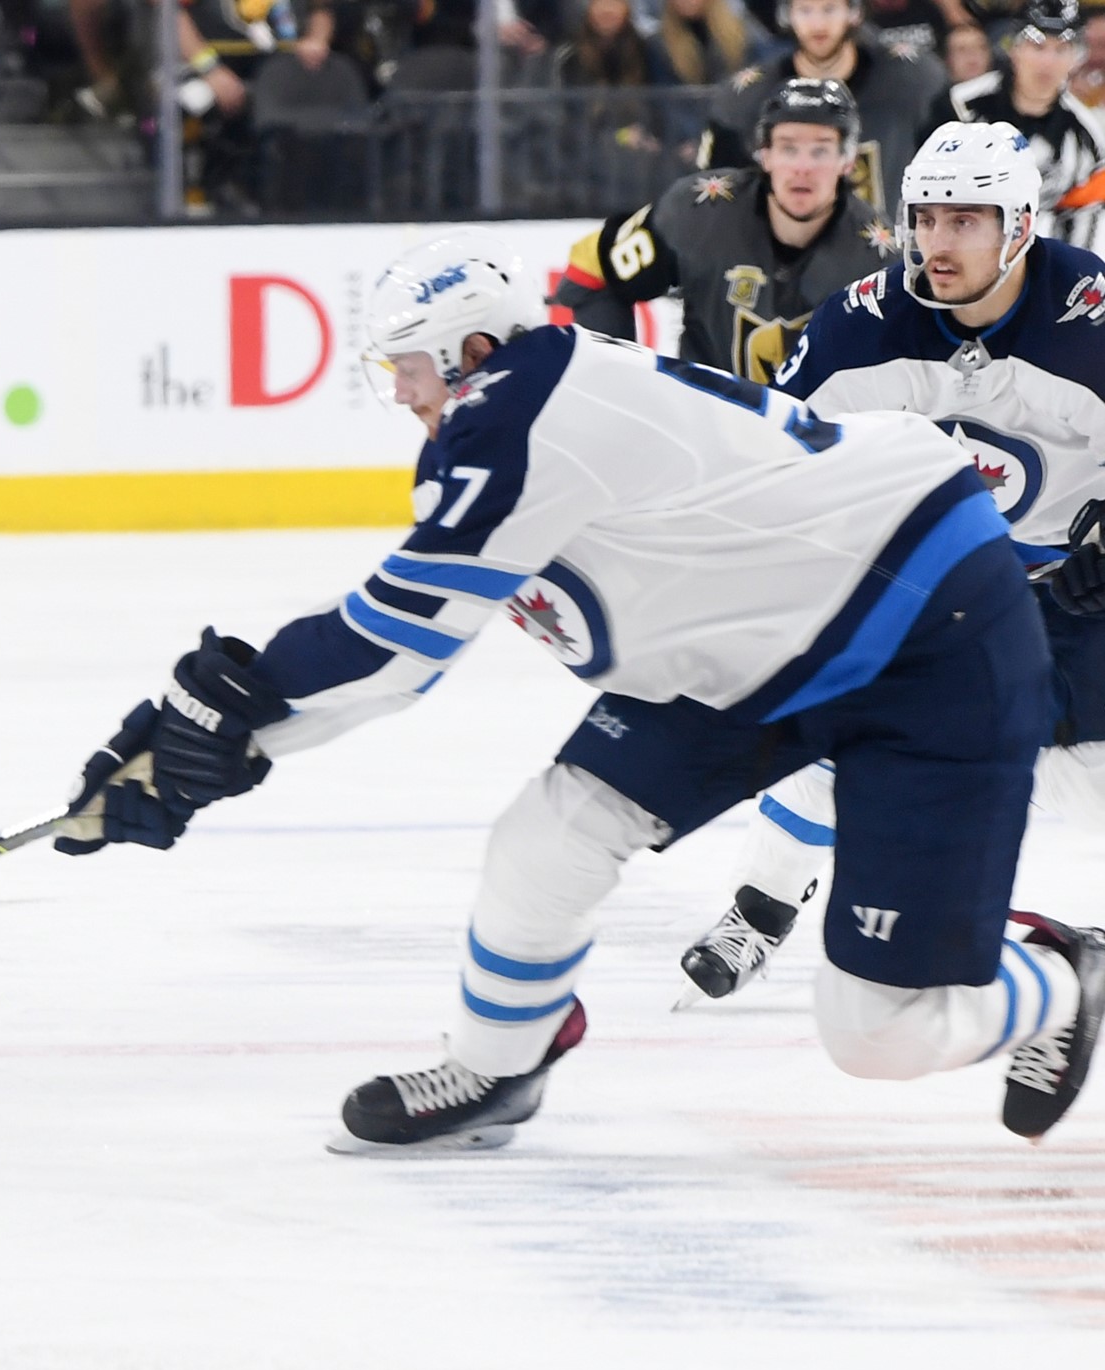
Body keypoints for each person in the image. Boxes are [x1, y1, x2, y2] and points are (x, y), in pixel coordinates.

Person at [54, 225, 1105, 1153]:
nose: (402, 398)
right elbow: (396, 640)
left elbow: (393, 649)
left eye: (407, 372)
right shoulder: (531, 399)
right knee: (549, 837)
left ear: (471, 353)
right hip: (764, 648)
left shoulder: (518, 416)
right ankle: (497, 1065)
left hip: (933, 628)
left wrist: (216, 727)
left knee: (881, 1032)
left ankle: (1066, 977)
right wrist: (215, 735)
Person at [675, 122, 1105, 1035]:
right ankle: (761, 908)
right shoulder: (864, 321)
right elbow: (773, 450)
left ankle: (1089, 962)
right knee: (841, 723)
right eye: (925, 218)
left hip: (1078, 588)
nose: (937, 243)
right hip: (942, 582)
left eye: (965, 221)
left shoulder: (1094, 318)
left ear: (1020, 226)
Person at [555, 78, 889, 382]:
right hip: (703, 438)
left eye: (820, 150)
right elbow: (590, 270)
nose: (802, 167)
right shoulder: (698, 212)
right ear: (765, 155)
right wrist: (619, 384)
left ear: (847, 161)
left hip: (827, 445)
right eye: (788, 148)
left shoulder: (881, 257)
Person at [699, 0, 945, 216]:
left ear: (854, 12)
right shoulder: (747, 99)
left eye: (829, 9)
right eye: (805, 9)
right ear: (787, 15)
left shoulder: (912, 81)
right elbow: (716, 196)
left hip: (886, 253)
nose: (817, 24)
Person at [928, 0, 1105, 249]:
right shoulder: (959, 107)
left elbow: (1088, 226)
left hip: (1044, 269)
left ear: (1076, 57)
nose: (1047, 62)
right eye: (1038, 46)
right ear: (1014, 48)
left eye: (1061, 49)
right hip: (961, 253)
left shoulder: (1089, 136)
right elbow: (925, 191)